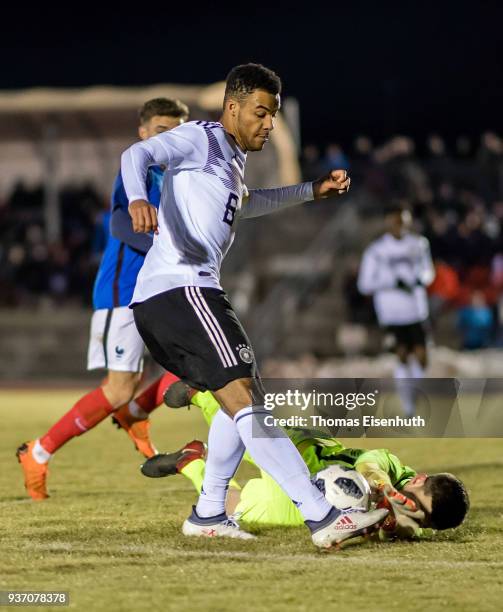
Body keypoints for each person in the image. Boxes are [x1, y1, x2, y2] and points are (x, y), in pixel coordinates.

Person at [121, 62, 388, 548]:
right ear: (233, 107)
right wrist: (139, 199)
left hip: (183, 293)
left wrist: (312, 190)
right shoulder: (200, 136)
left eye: (274, 115)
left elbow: (248, 203)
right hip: (180, 290)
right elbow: (136, 154)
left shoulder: (229, 160)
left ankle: (208, 513)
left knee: (238, 399)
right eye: (261, 114)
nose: (268, 124)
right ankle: (322, 515)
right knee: (244, 397)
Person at [17, 98, 189, 500]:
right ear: (143, 133)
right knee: (117, 389)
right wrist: (165, 248)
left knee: (199, 362)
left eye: (178, 132)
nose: (172, 140)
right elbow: (118, 221)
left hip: (159, 289)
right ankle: (38, 452)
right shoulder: (139, 167)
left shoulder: (174, 175)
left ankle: (135, 412)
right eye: (164, 131)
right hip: (123, 292)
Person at [142, 387, 469, 541]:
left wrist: (400, 525)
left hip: (304, 503)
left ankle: (193, 460)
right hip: (303, 451)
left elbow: (403, 528)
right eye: (414, 502)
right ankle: (205, 391)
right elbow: (372, 464)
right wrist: (382, 488)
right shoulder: (394, 468)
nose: (410, 511)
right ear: (418, 479)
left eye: (421, 518)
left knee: (234, 510)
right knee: (238, 420)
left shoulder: (405, 524)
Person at [357, 206, 435, 416]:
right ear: (388, 222)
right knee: (401, 356)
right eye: (395, 221)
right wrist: (392, 282)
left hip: (417, 311)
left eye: (403, 221)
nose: (400, 225)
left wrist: (420, 279)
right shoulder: (376, 250)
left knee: (422, 357)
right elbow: (364, 284)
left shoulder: (419, 244)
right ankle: (408, 407)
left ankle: (416, 397)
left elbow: (429, 271)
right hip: (392, 314)